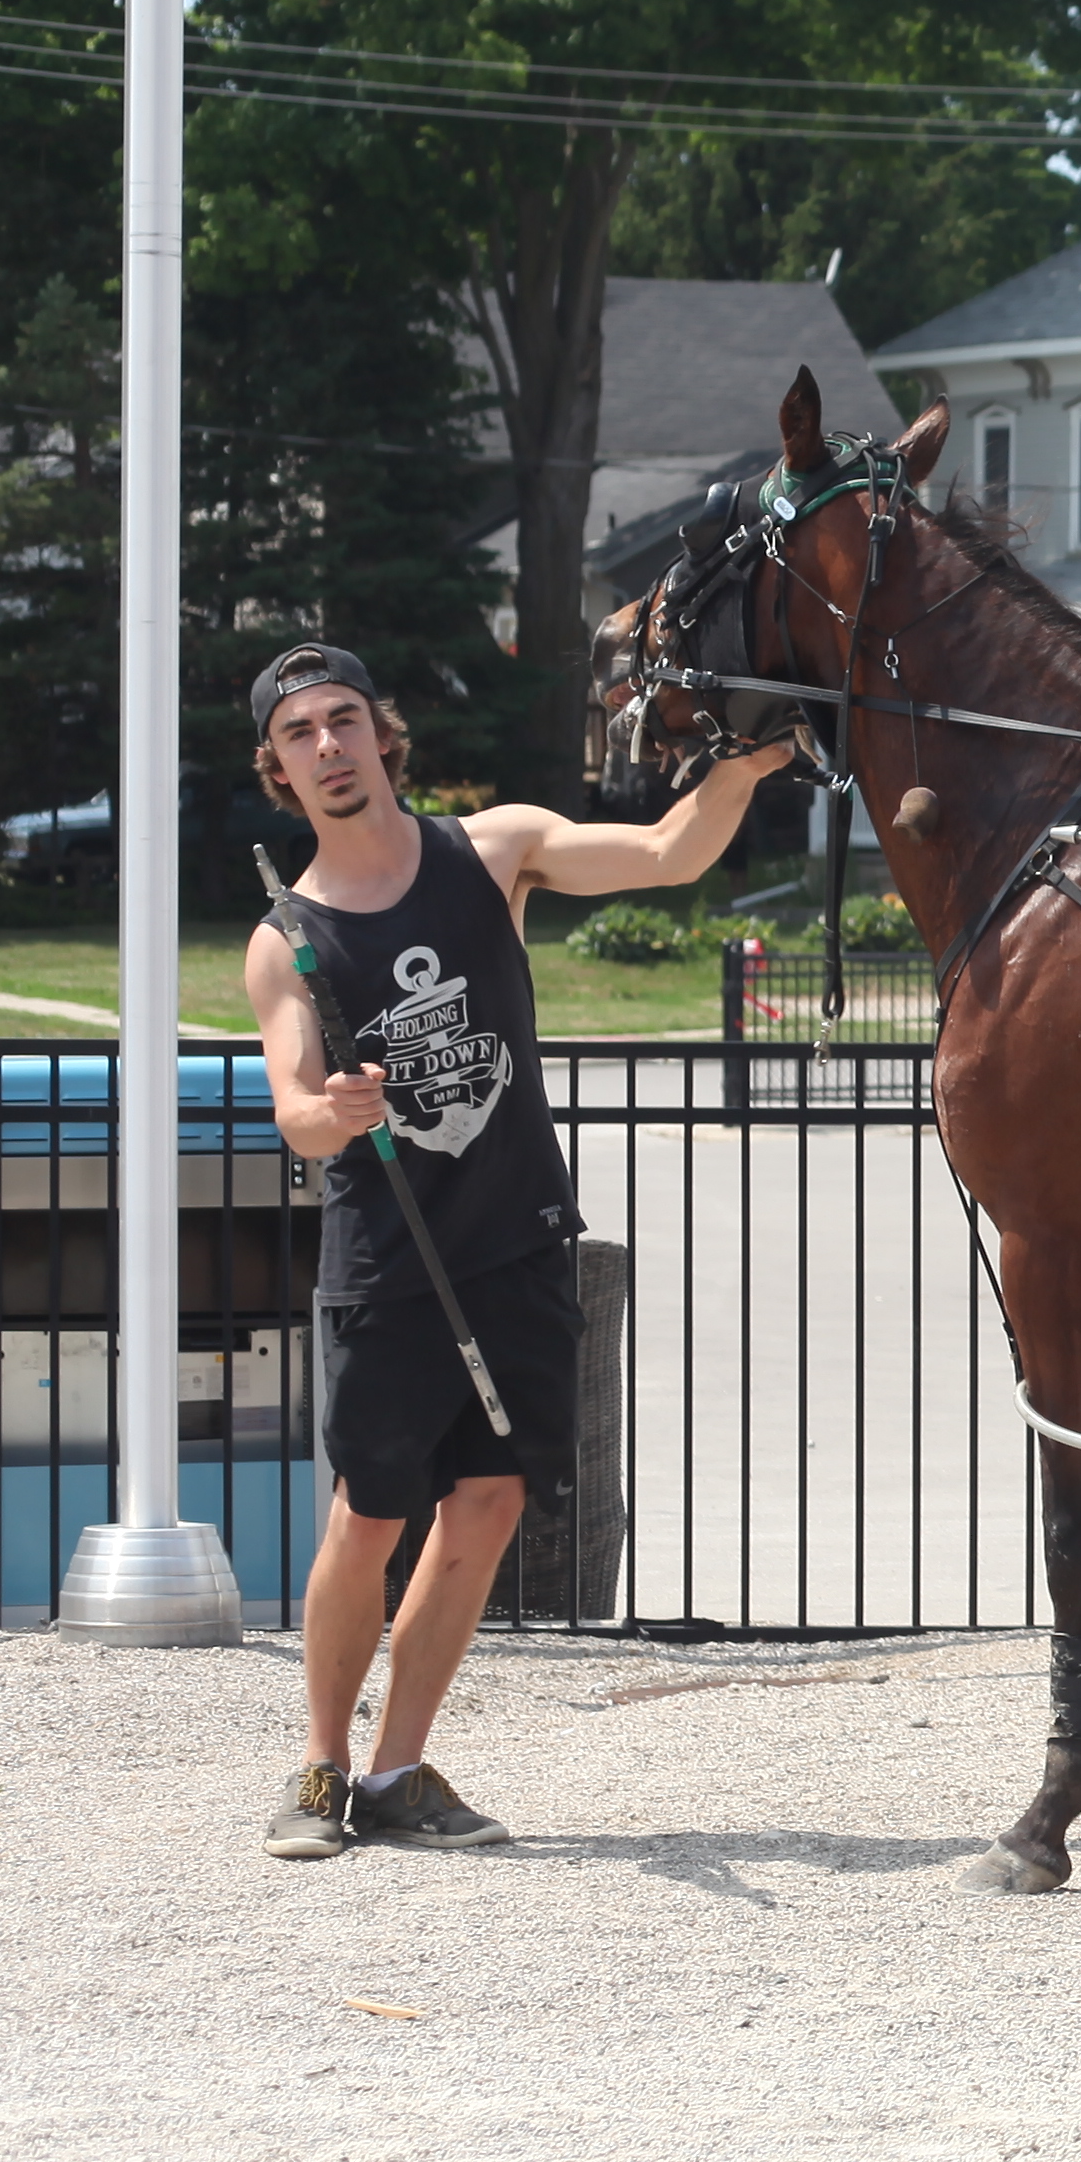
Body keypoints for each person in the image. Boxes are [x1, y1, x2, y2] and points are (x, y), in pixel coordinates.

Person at [247, 641, 792, 1857]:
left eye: (345, 719)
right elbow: (290, 1105)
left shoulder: (491, 852)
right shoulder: (286, 938)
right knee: (369, 1516)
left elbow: (664, 853)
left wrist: (748, 764)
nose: (329, 746)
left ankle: (397, 1776)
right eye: (300, 734)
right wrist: (329, 1114)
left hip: (517, 1245)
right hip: (390, 1264)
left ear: (384, 734)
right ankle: (320, 1769)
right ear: (279, 770)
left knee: (487, 1505)